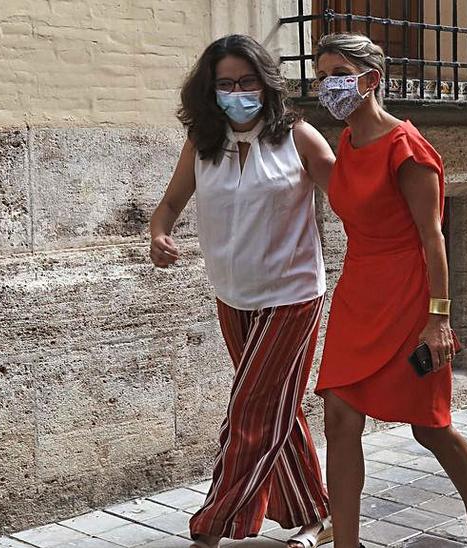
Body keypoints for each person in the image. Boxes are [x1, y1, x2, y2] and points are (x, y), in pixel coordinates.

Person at [312, 33, 467, 548]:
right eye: (321, 73)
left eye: (336, 74)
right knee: (339, 419)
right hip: (358, 295)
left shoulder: (407, 148)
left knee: (430, 426)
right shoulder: (346, 143)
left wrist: (439, 318)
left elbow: (433, 235)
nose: (325, 84)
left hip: (409, 299)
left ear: (370, 80)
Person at [148, 34, 337, 548]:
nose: (237, 92)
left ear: (265, 83)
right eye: (225, 84)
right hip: (232, 296)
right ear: (209, 91)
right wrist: (159, 236)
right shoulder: (203, 145)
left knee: (251, 411)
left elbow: (350, 197)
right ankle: (318, 514)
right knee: (276, 406)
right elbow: (167, 208)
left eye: (246, 81)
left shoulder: (298, 137)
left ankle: (212, 525)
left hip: (293, 294)